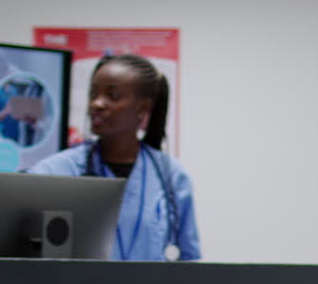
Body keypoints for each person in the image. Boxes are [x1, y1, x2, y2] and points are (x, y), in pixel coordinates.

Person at [28, 54, 199, 261]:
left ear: (143, 108)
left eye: (113, 96)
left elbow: (189, 259)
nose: (97, 104)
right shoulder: (55, 171)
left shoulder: (171, 175)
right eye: (93, 94)